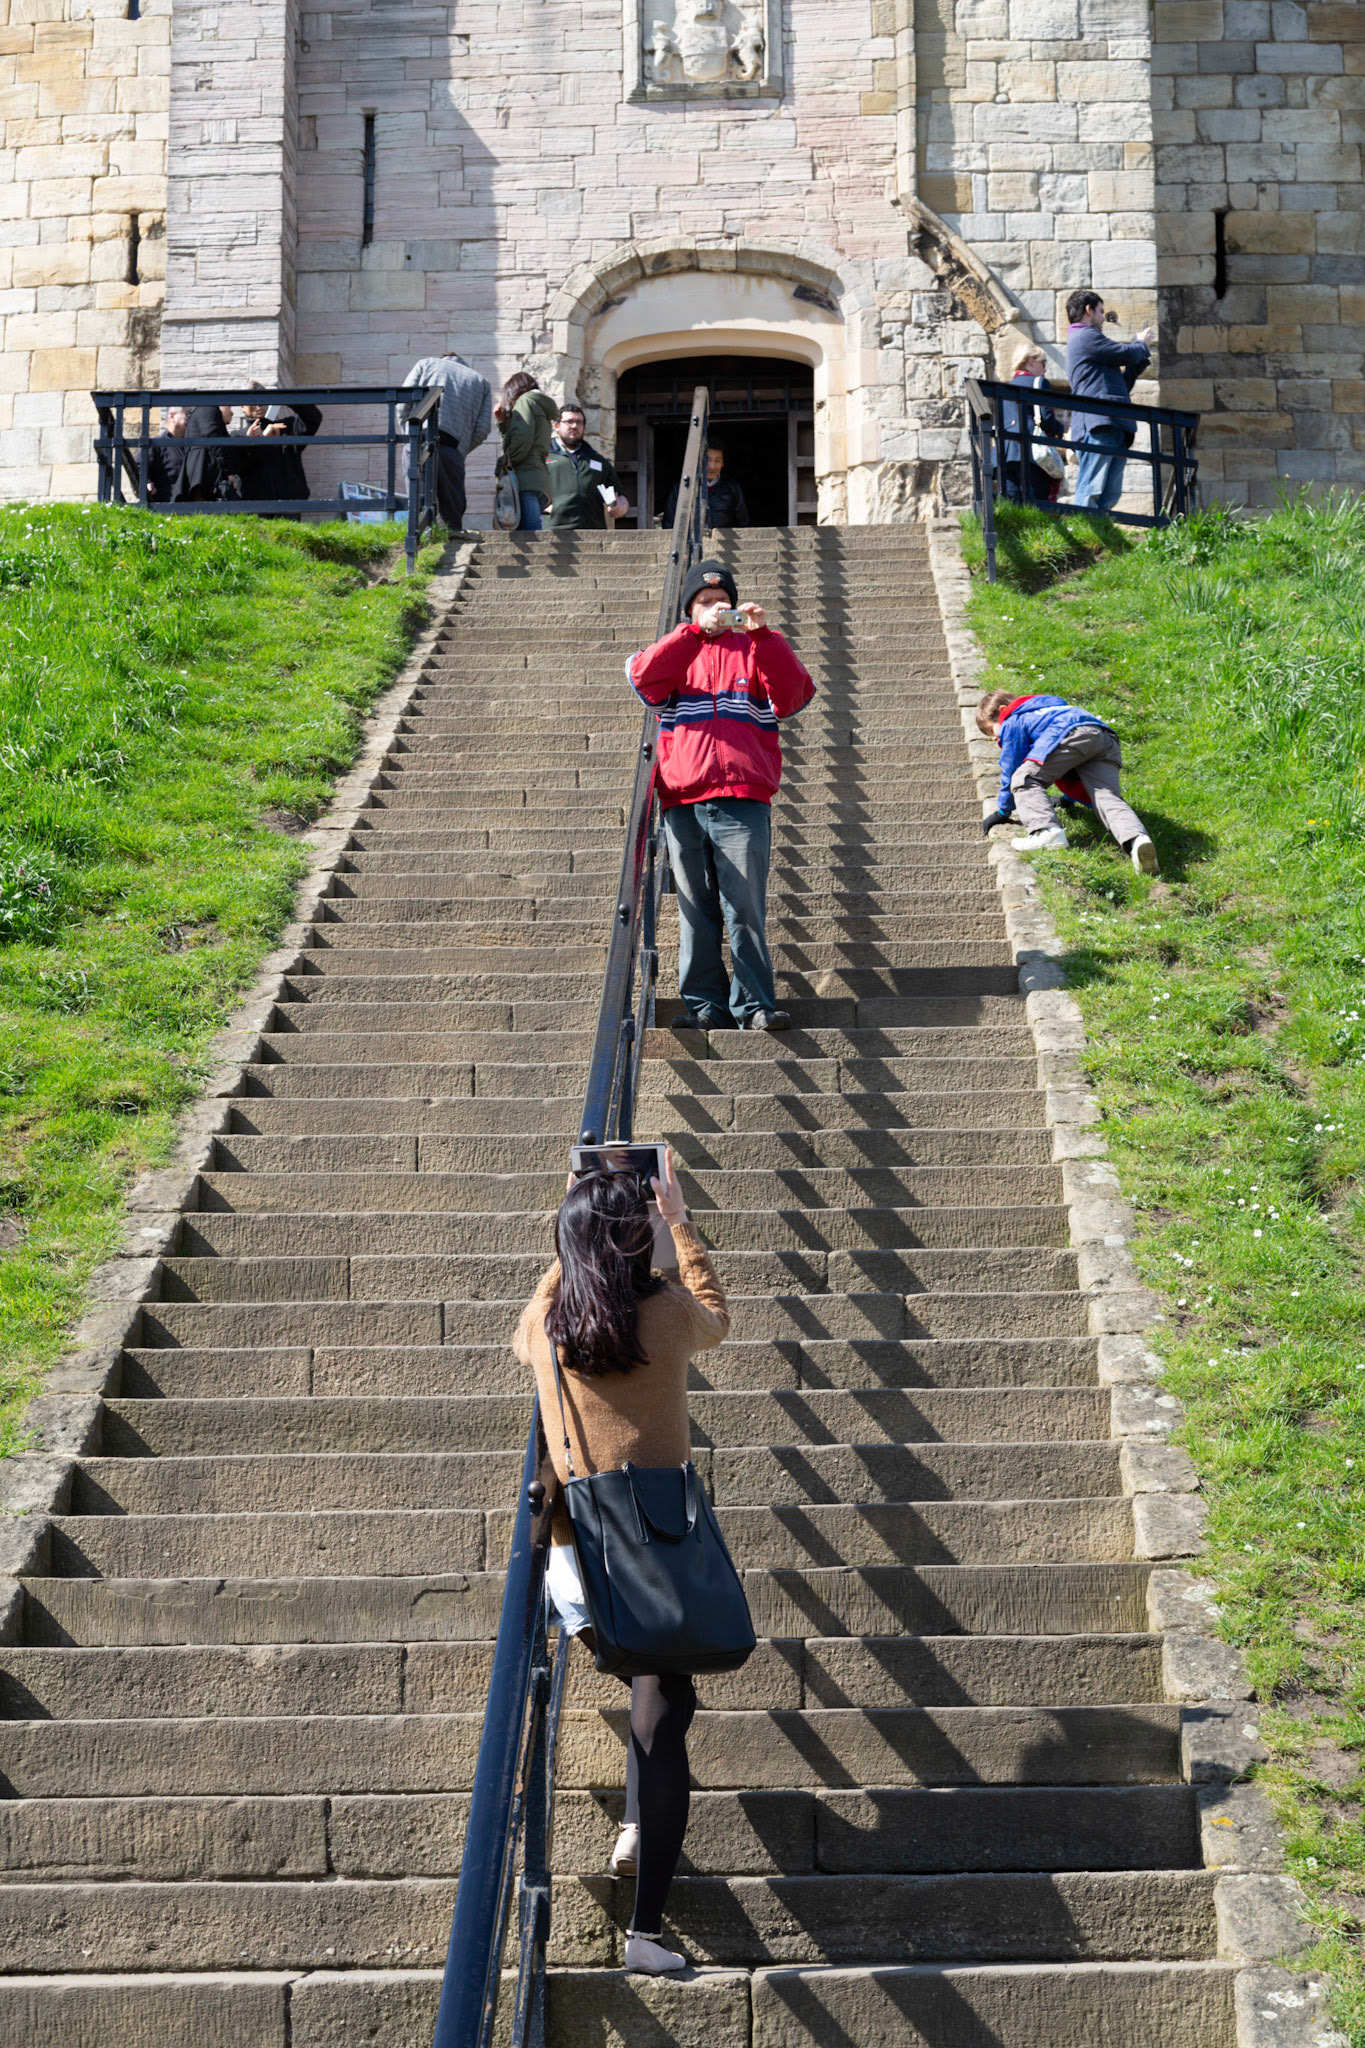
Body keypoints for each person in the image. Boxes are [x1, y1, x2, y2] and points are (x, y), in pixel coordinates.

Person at [514, 1152, 729, 1976]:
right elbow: (717, 1313)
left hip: (579, 1555)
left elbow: (528, 1318)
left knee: (650, 1685)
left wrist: (572, 1229)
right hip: (660, 1544)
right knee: (667, 1708)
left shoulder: (548, 1328)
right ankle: (644, 1932)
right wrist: (676, 1218)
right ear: (641, 1243)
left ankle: (638, 1826)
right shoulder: (669, 1314)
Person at [627, 557, 815, 1030]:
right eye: (705, 602)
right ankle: (705, 1009)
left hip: (742, 796)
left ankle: (754, 1005)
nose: (716, 609)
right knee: (695, 909)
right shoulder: (676, 648)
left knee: (745, 903)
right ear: (690, 609)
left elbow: (793, 697)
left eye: (723, 602)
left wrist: (763, 636)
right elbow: (644, 678)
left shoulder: (755, 647)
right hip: (683, 799)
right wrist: (694, 635)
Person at [977, 686, 1158, 874]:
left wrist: (1003, 810)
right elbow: (1069, 766)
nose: (996, 737)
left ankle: (1046, 832)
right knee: (1106, 796)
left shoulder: (1012, 719)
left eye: (992, 730)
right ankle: (1137, 841)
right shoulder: (1049, 709)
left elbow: (1012, 767)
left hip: (1069, 734)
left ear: (1002, 710)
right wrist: (1067, 799)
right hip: (1103, 737)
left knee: (1025, 778)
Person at [1064, 289, 1153, 515]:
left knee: (1109, 492)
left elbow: (1119, 386)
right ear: (1088, 310)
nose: (1103, 317)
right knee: (1092, 487)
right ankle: (1083, 528)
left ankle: (1099, 533)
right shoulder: (1085, 335)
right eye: (1101, 311)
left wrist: (1137, 358)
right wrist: (1140, 344)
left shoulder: (1087, 340)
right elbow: (1123, 352)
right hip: (1098, 423)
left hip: (1110, 422)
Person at [402, 350, 492, 532]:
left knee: (418, 495)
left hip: (420, 437)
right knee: (452, 507)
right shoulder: (481, 382)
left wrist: (408, 434)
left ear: (443, 358)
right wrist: (461, 449)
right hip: (453, 447)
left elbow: (402, 403)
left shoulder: (425, 364)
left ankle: (420, 539)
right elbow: (482, 429)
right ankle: (454, 541)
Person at [545, 402, 632, 529]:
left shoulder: (598, 461)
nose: (575, 426)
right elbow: (528, 489)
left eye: (579, 422)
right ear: (557, 426)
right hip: (554, 532)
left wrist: (621, 507)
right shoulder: (542, 456)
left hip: (593, 533)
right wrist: (544, 507)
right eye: (569, 421)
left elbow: (620, 494)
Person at [233, 385, 322, 507]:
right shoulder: (237, 436)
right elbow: (237, 467)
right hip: (254, 505)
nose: (259, 406)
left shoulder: (287, 427)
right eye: (253, 402)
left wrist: (288, 399)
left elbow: (314, 418)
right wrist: (260, 439)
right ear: (242, 406)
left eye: (263, 401)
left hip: (289, 503)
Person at [494, 372, 561, 531]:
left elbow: (521, 440)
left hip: (525, 480)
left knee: (528, 539)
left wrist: (503, 465)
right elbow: (523, 438)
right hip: (538, 480)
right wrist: (503, 424)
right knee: (530, 533)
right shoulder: (540, 406)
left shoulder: (525, 402)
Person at [999, 342, 1065, 504]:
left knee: (1013, 509)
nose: (1044, 369)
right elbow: (1046, 419)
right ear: (1031, 361)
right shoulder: (1038, 383)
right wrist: (1061, 428)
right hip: (1030, 453)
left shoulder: (1003, 389)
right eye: (1043, 363)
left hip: (1005, 455)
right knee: (1036, 506)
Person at [664, 440, 750, 529]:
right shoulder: (682, 487)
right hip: (690, 542)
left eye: (717, 461)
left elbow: (743, 523)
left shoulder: (732, 488)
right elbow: (669, 523)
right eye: (707, 460)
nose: (712, 466)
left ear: (722, 463)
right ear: (698, 461)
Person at [142, 404, 187, 502]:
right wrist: (147, 482)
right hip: (165, 503)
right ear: (172, 416)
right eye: (186, 413)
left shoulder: (189, 444)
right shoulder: (156, 444)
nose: (189, 417)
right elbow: (138, 466)